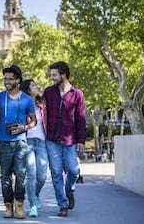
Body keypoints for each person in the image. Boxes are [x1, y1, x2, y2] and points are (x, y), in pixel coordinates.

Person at [43, 61, 86, 217]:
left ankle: (69, 191)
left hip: (70, 140)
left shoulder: (77, 94)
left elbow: (81, 118)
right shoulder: (48, 92)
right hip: (52, 139)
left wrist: (81, 140)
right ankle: (62, 205)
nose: (52, 78)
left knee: (74, 171)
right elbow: (39, 109)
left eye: (54, 75)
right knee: (56, 173)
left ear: (63, 75)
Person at [0, 65, 37, 219]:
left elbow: (34, 121)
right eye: (5, 79)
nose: (7, 82)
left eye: (10, 79)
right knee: (5, 176)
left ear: (18, 80)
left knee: (21, 175)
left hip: (20, 142)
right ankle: (8, 206)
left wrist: (24, 127)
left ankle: (19, 204)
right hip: (2, 142)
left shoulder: (26, 99)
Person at [20, 79, 48, 217]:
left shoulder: (42, 104)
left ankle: (36, 194)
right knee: (31, 175)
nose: (37, 86)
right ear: (27, 89)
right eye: (33, 85)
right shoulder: (23, 104)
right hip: (28, 142)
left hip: (42, 142)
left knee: (41, 177)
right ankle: (32, 205)